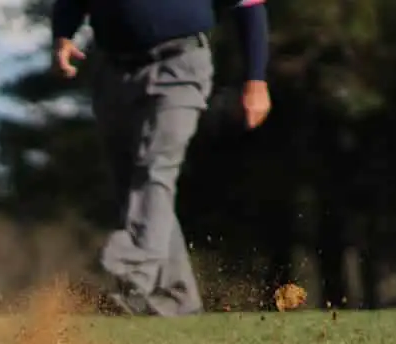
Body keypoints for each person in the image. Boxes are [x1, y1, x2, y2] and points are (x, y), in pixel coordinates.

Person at [51, 0, 272, 316]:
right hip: (113, 72)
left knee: (155, 170)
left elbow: (249, 5)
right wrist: (63, 36)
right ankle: (176, 298)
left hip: (179, 66)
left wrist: (256, 80)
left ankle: (132, 272)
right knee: (133, 187)